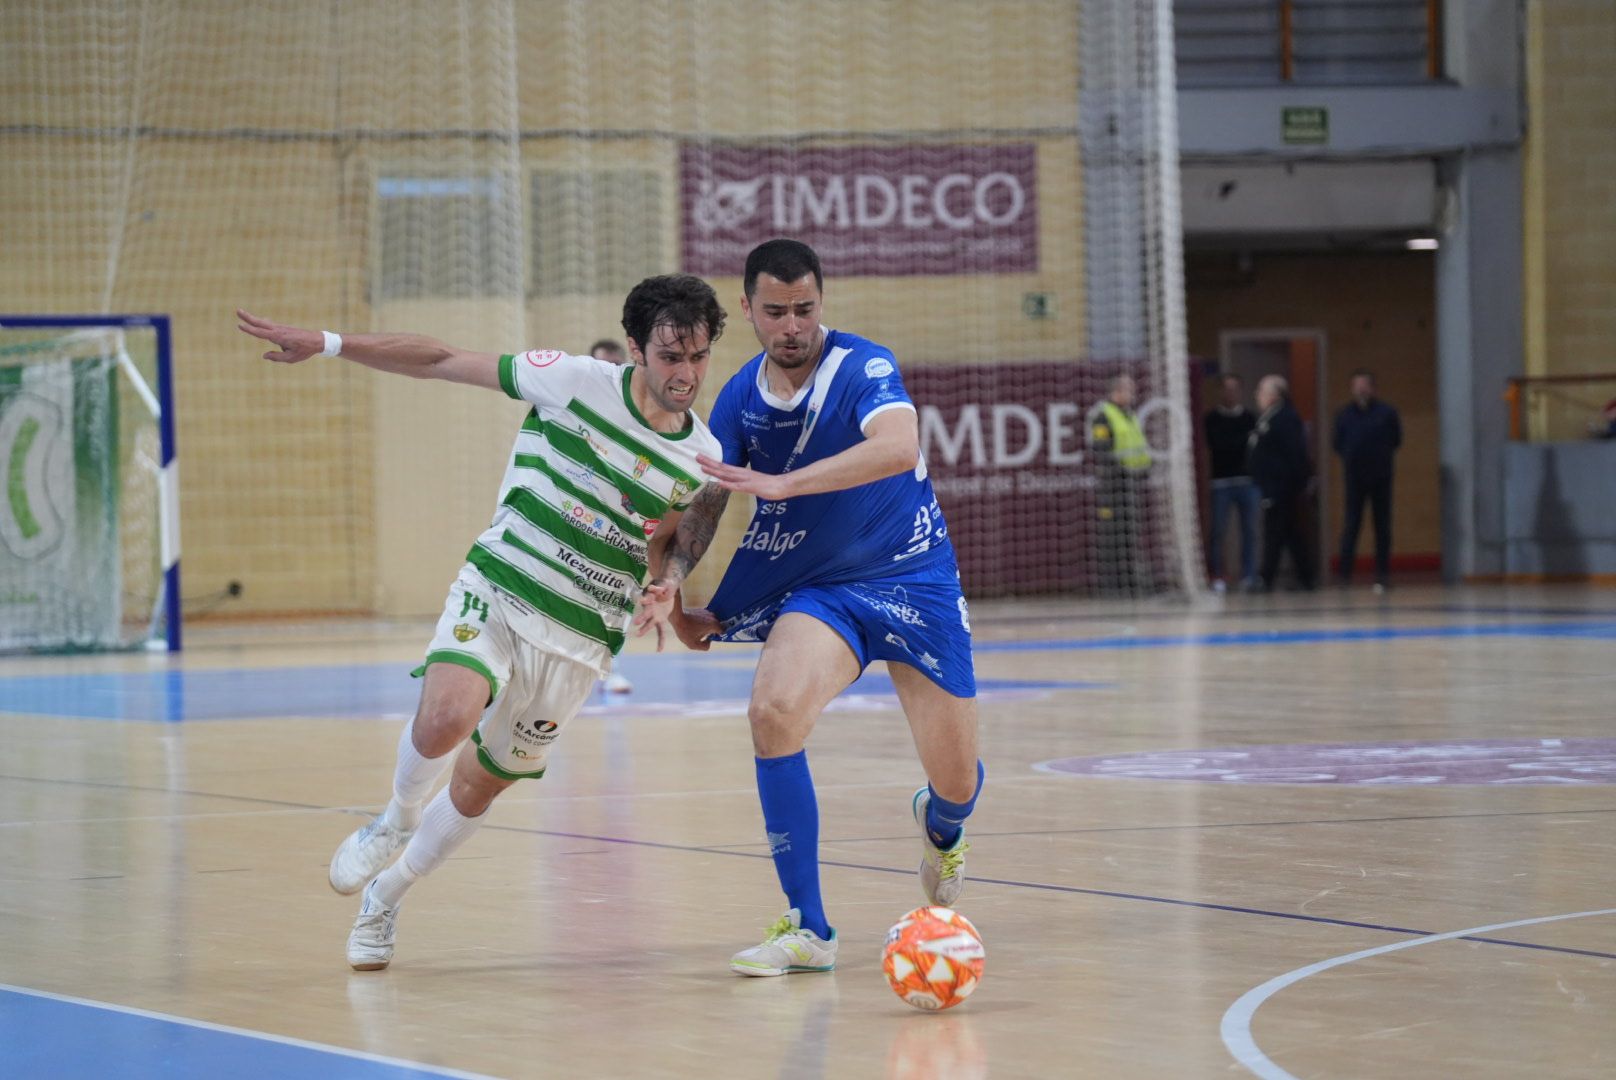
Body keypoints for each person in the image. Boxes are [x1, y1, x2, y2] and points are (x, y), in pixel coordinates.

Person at [235, 274, 726, 971]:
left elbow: (675, 547)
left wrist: (668, 594)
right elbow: (441, 359)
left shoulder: (703, 461)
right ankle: (394, 820)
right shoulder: (577, 381)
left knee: (479, 785)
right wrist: (331, 343)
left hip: (582, 639)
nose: (687, 374)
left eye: (699, 357)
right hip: (503, 585)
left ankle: (388, 895)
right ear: (635, 350)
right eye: (672, 356)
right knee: (445, 715)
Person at [635, 239, 983, 978]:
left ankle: (943, 825)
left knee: (955, 781)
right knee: (772, 712)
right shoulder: (738, 398)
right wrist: (677, 581)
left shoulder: (863, 367)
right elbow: (705, 503)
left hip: (912, 575)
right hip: (822, 590)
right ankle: (810, 929)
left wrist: (791, 484)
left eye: (805, 309)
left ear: (821, 302)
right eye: (775, 312)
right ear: (748, 311)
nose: (791, 325)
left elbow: (897, 447)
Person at [589, 337, 634, 693]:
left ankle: (608, 668)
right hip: (576, 511)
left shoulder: (638, 413)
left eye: (617, 365)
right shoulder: (580, 405)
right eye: (605, 365)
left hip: (618, 517)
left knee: (614, 593)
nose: (613, 372)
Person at [1332, 370, 1401, 592]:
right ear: (1352, 388)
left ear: (1372, 388)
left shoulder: (1386, 413)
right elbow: (1337, 443)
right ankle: (1344, 575)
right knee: (1352, 524)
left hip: (1381, 476)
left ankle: (1382, 574)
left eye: (1365, 385)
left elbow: (1396, 440)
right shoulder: (1344, 414)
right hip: (1355, 477)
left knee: (1382, 526)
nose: (1361, 389)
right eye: (1357, 386)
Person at [1248, 374, 1315, 591]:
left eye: (1262, 390)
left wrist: (1289, 485)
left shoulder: (1285, 418)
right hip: (1272, 485)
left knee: (1276, 532)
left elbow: (1293, 455)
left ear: (1274, 395)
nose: (1258, 395)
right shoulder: (1270, 417)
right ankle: (1305, 575)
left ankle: (1266, 578)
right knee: (1287, 532)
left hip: (1280, 487)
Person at [1090, 373, 1154, 595]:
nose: (1132, 393)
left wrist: (1144, 466)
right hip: (1112, 485)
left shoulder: (1129, 414)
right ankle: (1111, 586)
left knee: (1129, 533)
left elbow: (1137, 446)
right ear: (1117, 391)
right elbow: (1101, 450)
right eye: (1128, 389)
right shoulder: (1103, 416)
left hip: (1131, 483)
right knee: (1111, 535)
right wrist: (1123, 468)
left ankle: (1130, 582)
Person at [1203, 373, 1260, 594]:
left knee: (1250, 530)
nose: (1230, 393)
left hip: (1247, 481)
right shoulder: (1211, 419)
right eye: (1226, 388)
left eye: (1234, 388)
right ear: (1220, 391)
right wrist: (1239, 442)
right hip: (1220, 482)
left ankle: (1248, 575)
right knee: (1218, 531)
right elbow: (1218, 445)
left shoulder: (1249, 417)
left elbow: (1253, 447)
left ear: (1240, 392)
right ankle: (1218, 575)